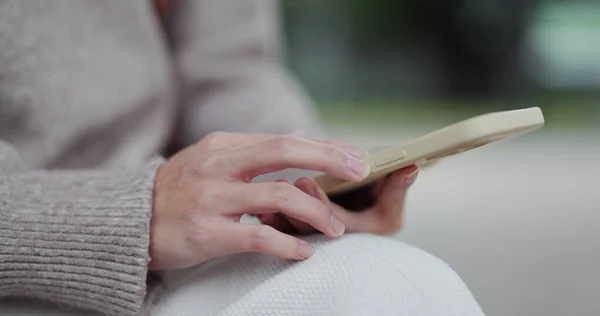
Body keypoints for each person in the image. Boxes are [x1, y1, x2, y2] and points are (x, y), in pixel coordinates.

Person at [0, 1, 484, 315]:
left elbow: (228, 68)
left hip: (162, 255)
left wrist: (313, 182)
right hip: (52, 250)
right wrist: (125, 214)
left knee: (393, 290)